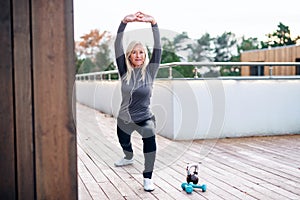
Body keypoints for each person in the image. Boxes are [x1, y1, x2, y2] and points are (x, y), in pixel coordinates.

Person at [114, 11, 161, 192]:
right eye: (134, 52)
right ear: (129, 56)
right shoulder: (124, 71)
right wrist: (123, 22)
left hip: (144, 117)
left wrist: (153, 23)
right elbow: (118, 44)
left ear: (145, 55)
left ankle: (148, 177)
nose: (138, 55)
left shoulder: (150, 71)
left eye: (141, 52)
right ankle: (128, 156)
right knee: (124, 142)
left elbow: (158, 48)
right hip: (124, 118)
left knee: (150, 138)